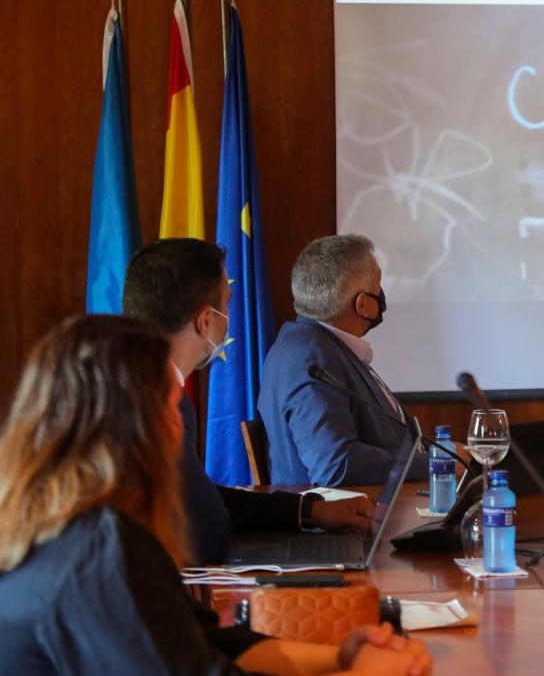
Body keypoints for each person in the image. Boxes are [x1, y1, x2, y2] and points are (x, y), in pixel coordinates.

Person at [0, 315, 432, 675]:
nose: (178, 426)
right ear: (137, 426)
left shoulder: (62, 528)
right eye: (170, 406)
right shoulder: (98, 548)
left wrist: (340, 657)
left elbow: (211, 645)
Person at [123, 238, 373, 565]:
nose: (229, 318)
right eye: (226, 304)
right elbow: (205, 529)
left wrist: (309, 511)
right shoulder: (154, 401)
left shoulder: (139, 383)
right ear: (205, 321)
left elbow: (200, 498)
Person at [260, 234, 428, 486]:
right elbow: (335, 465)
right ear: (363, 305)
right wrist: (434, 464)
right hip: (346, 519)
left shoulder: (321, 345)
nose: (382, 294)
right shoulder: (310, 357)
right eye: (378, 285)